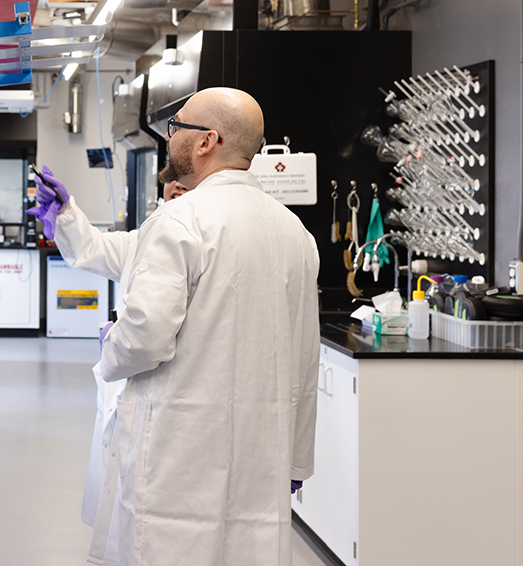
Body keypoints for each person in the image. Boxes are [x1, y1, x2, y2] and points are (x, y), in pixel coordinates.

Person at [36, 87, 320, 566]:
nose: (169, 140)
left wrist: (112, 344)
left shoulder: (184, 219)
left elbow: (143, 338)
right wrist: (297, 458)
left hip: (179, 454)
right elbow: (304, 360)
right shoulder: (295, 232)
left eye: (176, 128)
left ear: (207, 140)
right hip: (260, 457)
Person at [28, 161, 186, 564]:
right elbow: (95, 248)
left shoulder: (193, 238)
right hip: (133, 394)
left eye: (181, 190)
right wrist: (66, 213)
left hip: (171, 403)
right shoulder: (152, 237)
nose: (172, 197)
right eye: (168, 191)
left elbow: (149, 336)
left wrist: (115, 344)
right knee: (125, 515)